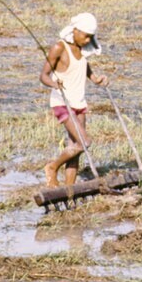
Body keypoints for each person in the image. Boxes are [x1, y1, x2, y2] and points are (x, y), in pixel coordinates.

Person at [41, 13, 107, 190]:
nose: (88, 40)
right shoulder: (59, 48)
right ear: (75, 31)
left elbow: (83, 66)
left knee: (76, 149)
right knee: (84, 142)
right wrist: (54, 84)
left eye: (91, 37)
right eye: (86, 36)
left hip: (79, 102)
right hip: (62, 102)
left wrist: (95, 78)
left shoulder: (83, 50)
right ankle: (52, 167)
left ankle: (69, 190)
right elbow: (43, 75)